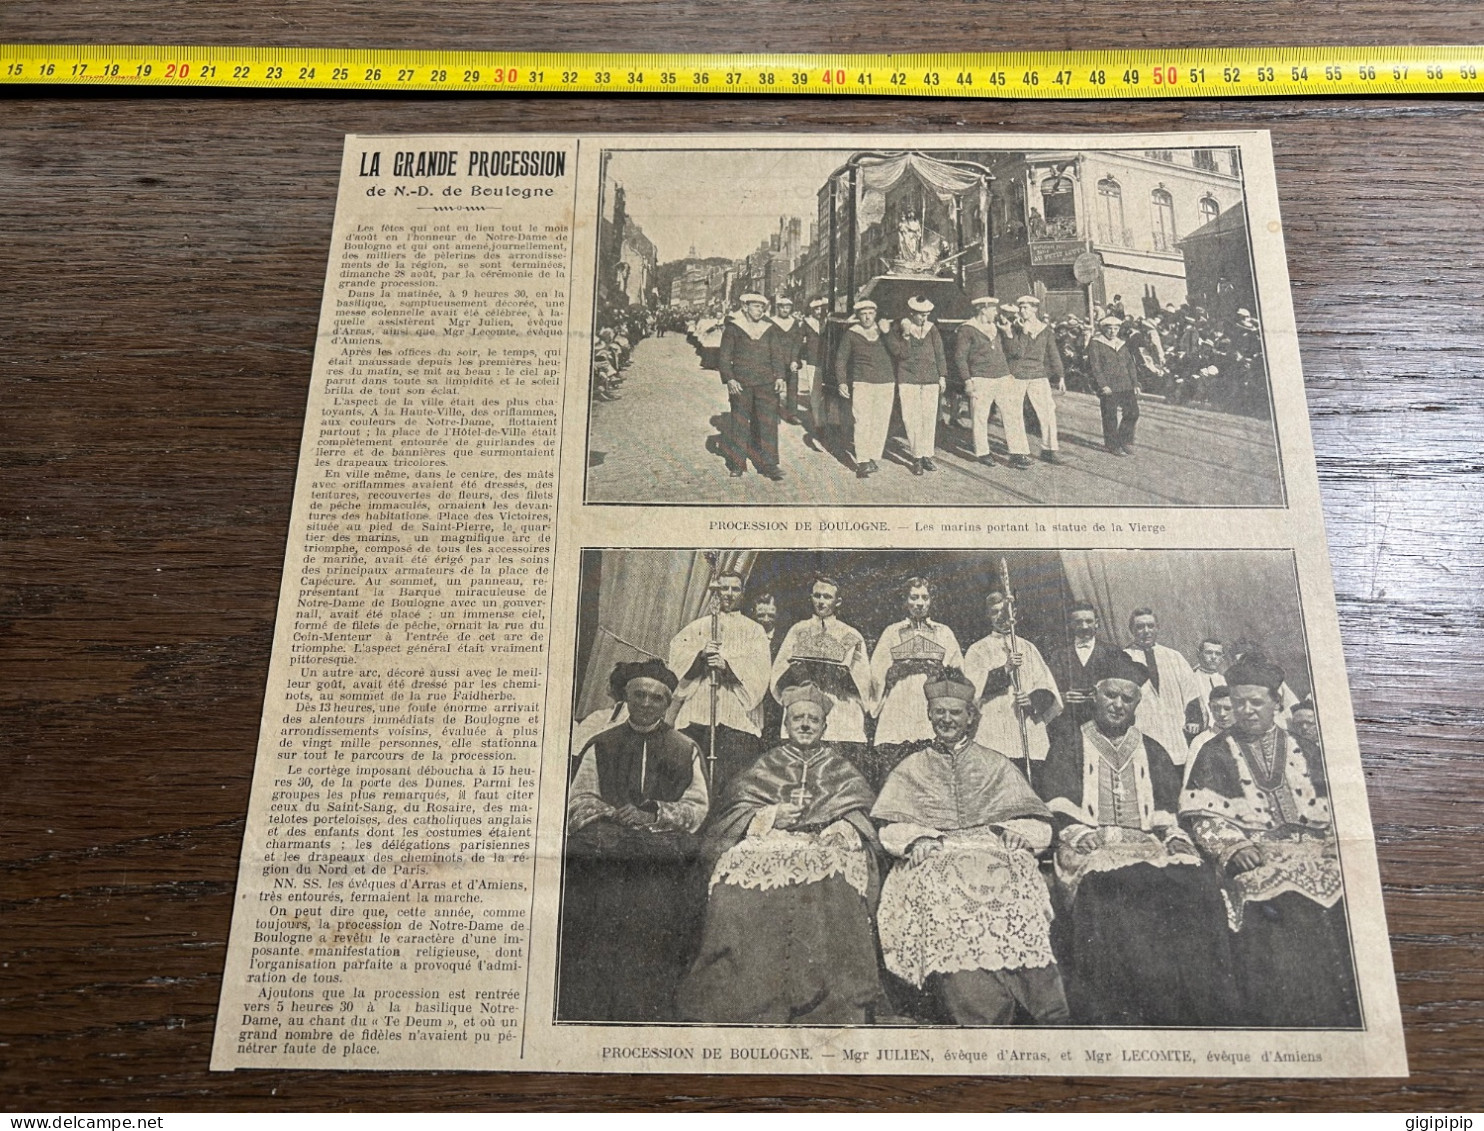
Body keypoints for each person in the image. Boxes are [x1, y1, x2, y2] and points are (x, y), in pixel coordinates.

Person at [1037, 657, 1239, 1025]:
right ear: (1095, 697)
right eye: (1111, 696)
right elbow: (1057, 806)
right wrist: (1085, 834)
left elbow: (1167, 808)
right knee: (1112, 887)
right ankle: (1118, 1009)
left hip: (1148, 844)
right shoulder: (1069, 744)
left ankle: (1187, 1008)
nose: (1118, 705)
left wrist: (1176, 838)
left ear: (1137, 704)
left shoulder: (1154, 749)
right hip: (1090, 846)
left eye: (1127, 699)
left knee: (1194, 882)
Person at [676, 684, 886, 1024]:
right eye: (797, 718)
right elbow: (735, 812)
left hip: (824, 847)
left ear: (825, 727)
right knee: (733, 880)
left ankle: (825, 992)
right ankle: (749, 986)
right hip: (769, 840)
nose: (805, 724)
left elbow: (861, 811)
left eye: (813, 719)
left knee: (835, 880)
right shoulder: (765, 764)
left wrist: (842, 827)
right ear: (785, 724)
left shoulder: (841, 768)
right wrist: (770, 815)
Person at [872, 673, 1070, 1024]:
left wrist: (1018, 832)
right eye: (939, 712)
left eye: (955, 712)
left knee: (1019, 883)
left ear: (970, 717)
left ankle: (1040, 1004)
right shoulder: (911, 767)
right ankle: (979, 1010)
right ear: (930, 715)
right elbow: (890, 827)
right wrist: (915, 839)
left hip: (990, 851)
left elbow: (1036, 820)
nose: (947, 719)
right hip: (935, 854)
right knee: (939, 896)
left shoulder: (995, 763)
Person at [1181, 657, 1360, 1027]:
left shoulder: (1308, 749)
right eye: (1238, 702)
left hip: (1315, 853)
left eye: (1256, 703)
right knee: (1275, 902)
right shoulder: (1214, 752)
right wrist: (1234, 847)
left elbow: (1343, 809)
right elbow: (1204, 818)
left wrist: (1334, 842)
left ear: (1277, 702)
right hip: (1257, 856)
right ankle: (1283, 1016)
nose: (1245, 711)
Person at [559, 660, 710, 1022]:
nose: (646, 703)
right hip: (608, 838)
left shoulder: (684, 746)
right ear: (626, 696)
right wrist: (610, 812)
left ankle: (654, 1000)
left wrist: (656, 813)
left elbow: (697, 806)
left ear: (667, 703)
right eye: (638, 695)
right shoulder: (602, 743)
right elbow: (578, 798)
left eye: (656, 698)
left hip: (660, 843)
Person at [666, 570, 773, 794]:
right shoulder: (696, 628)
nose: (729, 594)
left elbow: (760, 674)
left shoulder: (755, 631)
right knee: (693, 782)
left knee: (729, 784)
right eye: (724, 588)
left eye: (735, 589)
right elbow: (676, 672)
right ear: (715, 592)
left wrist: (728, 667)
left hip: (736, 718)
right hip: (698, 714)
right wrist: (700, 658)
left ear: (742, 593)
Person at [867, 577, 964, 788]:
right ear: (906, 601)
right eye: (914, 597)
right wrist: (897, 670)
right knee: (896, 776)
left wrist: (940, 672)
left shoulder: (944, 633)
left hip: (928, 706)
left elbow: (958, 674)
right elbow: (875, 675)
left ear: (931, 601)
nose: (919, 603)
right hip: (898, 709)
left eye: (924, 597)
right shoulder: (892, 632)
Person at [771, 576, 875, 767]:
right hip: (806, 709)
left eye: (827, 597)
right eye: (817, 596)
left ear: (838, 601)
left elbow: (864, 682)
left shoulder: (852, 635)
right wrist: (797, 673)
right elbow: (778, 673)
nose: (821, 601)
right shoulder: (797, 630)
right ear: (811, 597)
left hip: (841, 713)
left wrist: (842, 677)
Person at [963, 589, 1062, 782]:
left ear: (1014, 613)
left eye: (1005, 610)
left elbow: (1048, 688)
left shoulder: (1029, 648)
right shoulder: (977, 650)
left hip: (1027, 732)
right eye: (995, 612)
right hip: (993, 733)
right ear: (988, 616)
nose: (1001, 616)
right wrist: (1005, 669)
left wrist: (1032, 701)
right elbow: (970, 692)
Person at [717, 293, 787, 480]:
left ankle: (769, 465)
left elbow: (777, 355)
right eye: (756, 306)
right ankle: (737, 464)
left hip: (766, 384)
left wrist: (780, 376)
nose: (760, 310)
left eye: (762, 307)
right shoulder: (733, 328)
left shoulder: (769, 329)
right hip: (741, 384)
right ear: (745, 307)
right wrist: (730, 379)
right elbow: (724, 357)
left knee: (768, 424)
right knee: (740, 424)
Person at [1123, 608, 1206, 767]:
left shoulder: (1174, 657)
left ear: (1157, 628)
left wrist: (1193, 719)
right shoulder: (1124, 657)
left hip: (1173, 730)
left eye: (1150, 626)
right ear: (1132, 630)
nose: (1146, 631)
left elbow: (1191, 692)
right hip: (1142, 729)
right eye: (1140, 627)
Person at [885, 295, 948, 475]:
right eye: (920, 315)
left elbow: (940, 353)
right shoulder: (899, 328)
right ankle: (917, 457)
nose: (924, 318)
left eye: (927, 315)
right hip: (908, 379)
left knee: (928, 418)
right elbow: (897, 352)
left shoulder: (932, 329)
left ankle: (927, 455)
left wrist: (942, 376)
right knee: (911, 418)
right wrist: (905, 335)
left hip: (930, 379)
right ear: (912, 313)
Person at [1001, 295, 1066, 468]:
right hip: (1017, 374)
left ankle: (1049, 449)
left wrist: (1060, 375)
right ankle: (1017, 452)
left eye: (1026, 308)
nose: (1022, 311)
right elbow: (1016, 352)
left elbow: (1052, 352)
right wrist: (1021, 333)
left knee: (1047, 411)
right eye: (1021, 308)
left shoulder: (1045, 329)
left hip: (1038, 374)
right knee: (1013, 412)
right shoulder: (1013, 327)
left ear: (1035, 309)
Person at [834, 298, 896, 479]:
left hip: (886, 383)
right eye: (863, 314)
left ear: (875, 314)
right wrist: (842, 382)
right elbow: (841, 359)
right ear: (858, 316)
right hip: (862, 383)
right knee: (862, 420)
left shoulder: (884, 330)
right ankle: (862, 461)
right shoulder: (852, 333)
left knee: (880, 422)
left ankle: (872, 457)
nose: (867, 317)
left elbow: (898, 352)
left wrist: (888, 333)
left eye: (870, 313)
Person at [954, 295, 1016, 468]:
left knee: (1011, 414)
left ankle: (1016, 451)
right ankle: (983, 452)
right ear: (983, 309)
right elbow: (960, 357)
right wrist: (967, 380)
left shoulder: (997, 328)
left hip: (1002, 376)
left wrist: (1008, 332)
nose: (996, 312)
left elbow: (1010, 352)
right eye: (992, 309)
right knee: (980, 416)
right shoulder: (967, 329)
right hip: (980, 377)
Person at [1045, 602, 1124, 732]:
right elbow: (1047, 689)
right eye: (1078, 622)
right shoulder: (1058, 655)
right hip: (1069, 724)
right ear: (1070, 625)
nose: (1084, 626)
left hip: (1104, 723)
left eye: (1089, 621)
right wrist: (1062, 697)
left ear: (1097, 623)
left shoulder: (1112, 652)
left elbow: (1123, 688)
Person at [1087, 314, 1140, 456]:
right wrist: (1102, 384)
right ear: (1104, 329)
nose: (1112, 331)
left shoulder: (1121, 343)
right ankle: (1112, 445)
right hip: (1108, 387)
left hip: (1126, 384)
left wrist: (1135, 383)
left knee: (1133, 412)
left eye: (1116, 328)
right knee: (1110, 415)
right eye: (1109, 328)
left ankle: (1124, 440)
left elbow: (1130, 364)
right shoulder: (1096, 343)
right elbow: (1095, 366)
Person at [1185, 685, 1235, 784]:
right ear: (1209, 707)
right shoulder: (1200, 742)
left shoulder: (1248, 738)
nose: (1222, 714)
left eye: (1227, 708)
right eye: (1216, 708)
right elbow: (1188, 782)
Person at [770, 295, 806, 425]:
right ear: (778, 308)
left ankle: (792, 414)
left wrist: (795, 360)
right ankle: (773, 412)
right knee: (774, 386)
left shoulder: (794, 322)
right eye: (782, 307)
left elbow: (798, 342)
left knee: (792, 387)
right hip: (774, 359)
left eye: (788, 307)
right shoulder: (771, 322)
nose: (785, 310)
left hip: (791, 359)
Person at [800, 297, 830, 438]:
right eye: (817, 309)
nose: (820, 311)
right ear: (811, 310)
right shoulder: (807, 323)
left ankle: (830, 422)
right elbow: (798, 341)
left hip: (828, 362)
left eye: (822, 308)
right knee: (815, 392)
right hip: (813, 361)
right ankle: (818, 423)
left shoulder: (828, 322)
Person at [1190, 638, 1228, 725]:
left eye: (1218, 654)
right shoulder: (1190, 679)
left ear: (1222, 657)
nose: (1214, 657)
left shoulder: (1225, 681)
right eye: (1209, 652)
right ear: (1199, 653)